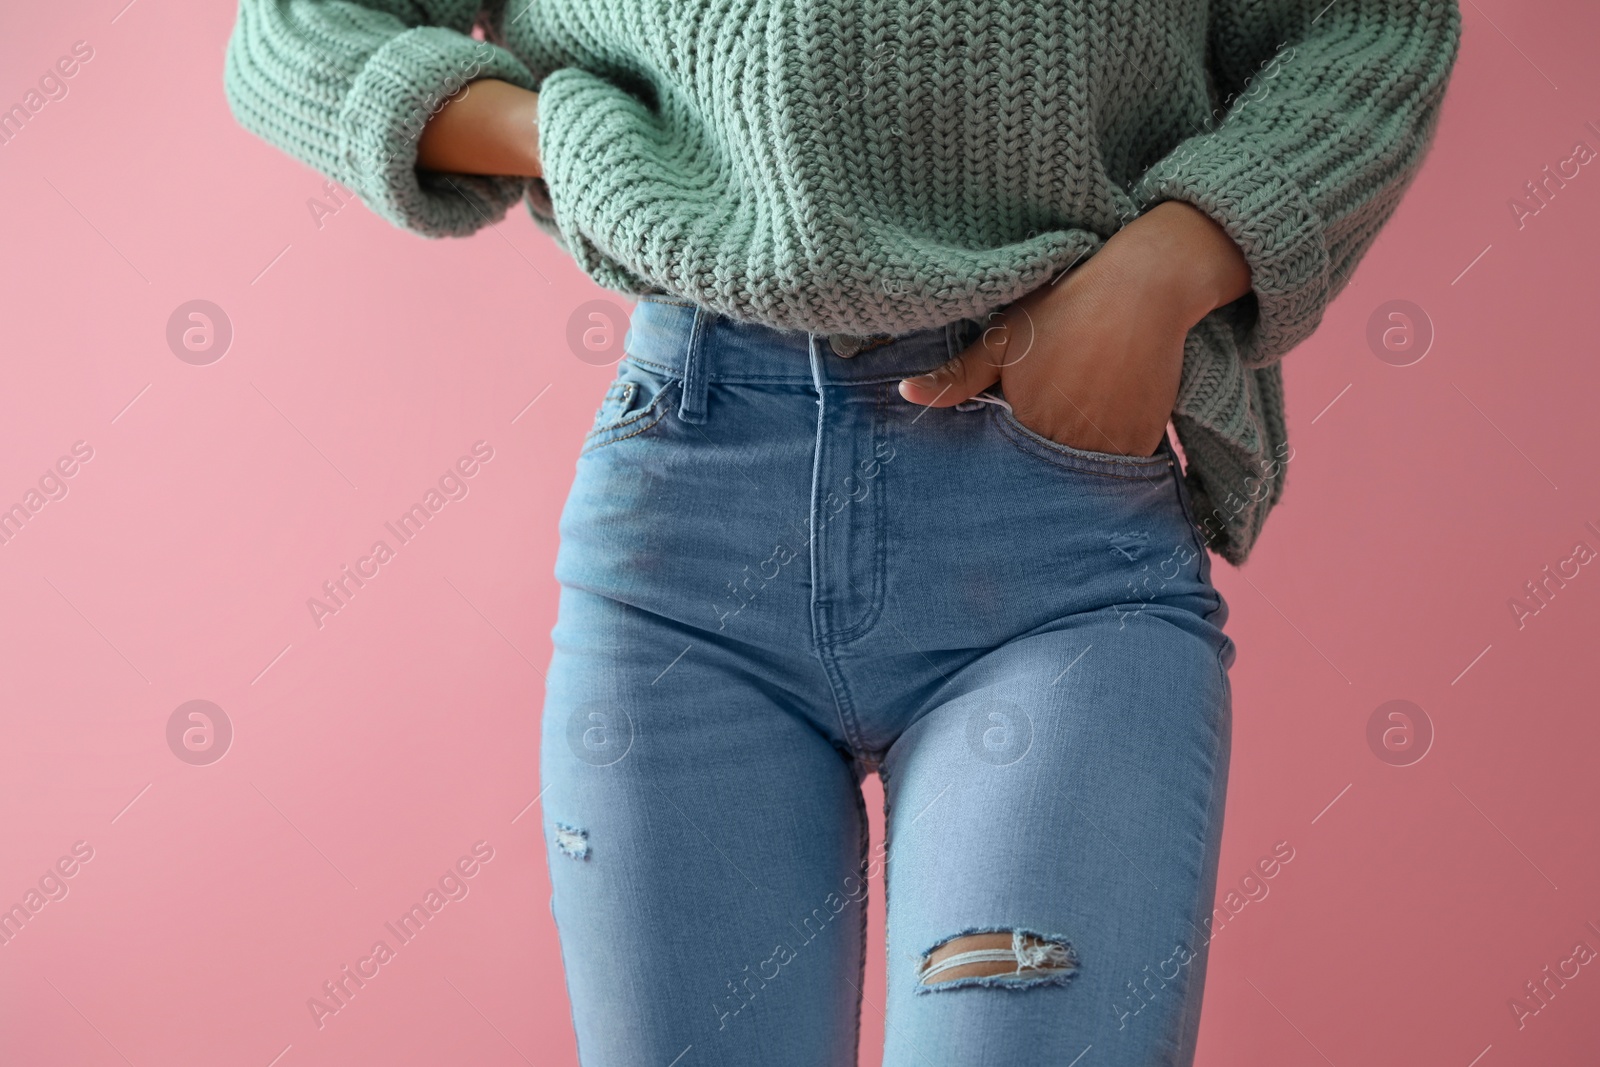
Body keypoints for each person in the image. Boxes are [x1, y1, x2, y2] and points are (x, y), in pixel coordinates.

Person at [223, 2, 1461, 1063]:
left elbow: (1372, 23)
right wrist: (553, 131)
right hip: (689, 525)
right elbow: (292, 34)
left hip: (1052, 521)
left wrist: (1162, 272)